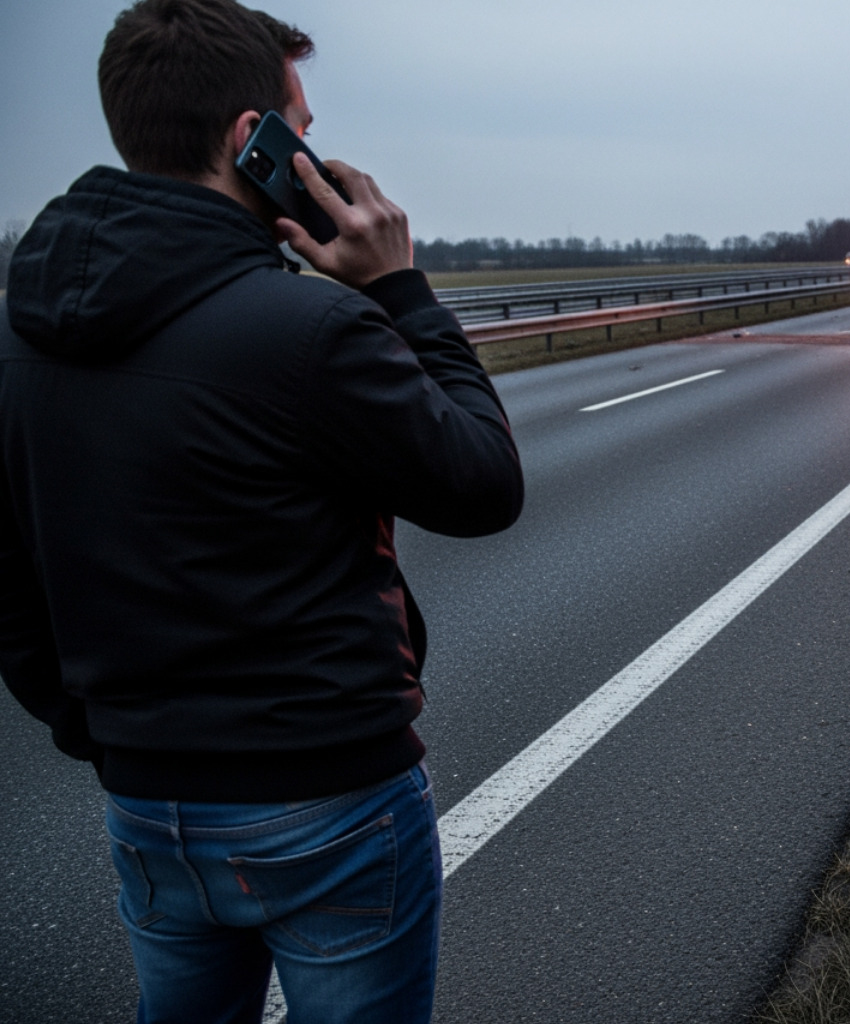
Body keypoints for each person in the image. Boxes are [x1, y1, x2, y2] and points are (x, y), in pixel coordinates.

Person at [0, 1, 523, 1021]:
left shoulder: (19, 337)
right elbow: (483, 486)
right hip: (329, 796)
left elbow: (11, 590)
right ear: (255, 140)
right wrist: (402, 291)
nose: (315, 153)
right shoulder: (312, 326)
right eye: (302, 129)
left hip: (146, 804)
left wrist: (108, 738)